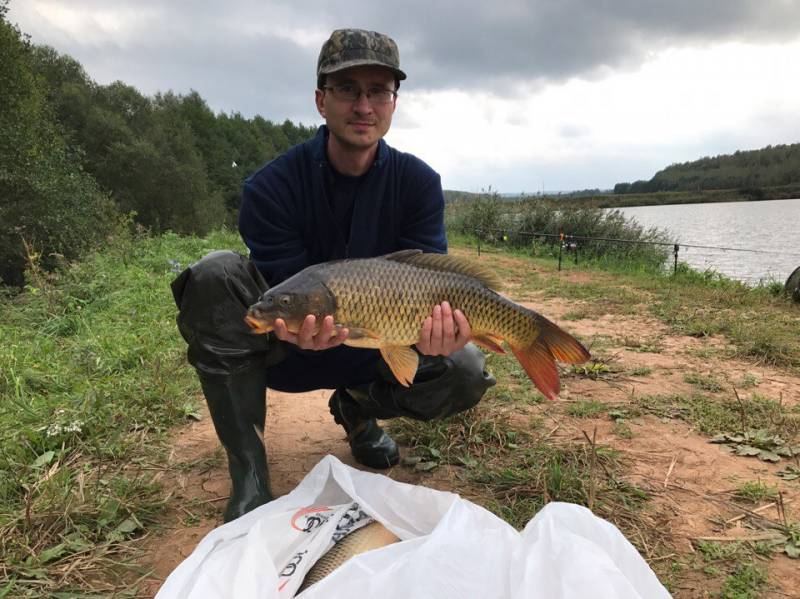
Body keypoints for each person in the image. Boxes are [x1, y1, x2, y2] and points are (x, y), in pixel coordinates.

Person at [171, 29, 496, 523]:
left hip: (382, 347)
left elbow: (434, 279)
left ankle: (358, 409)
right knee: (213, 275)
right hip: (290, 349)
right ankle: (250, 473)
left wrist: (440, 333)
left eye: (377, 91)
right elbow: (286, 292)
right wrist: (296, 328)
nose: (363, 105)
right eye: (347, 89)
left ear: (393, 103)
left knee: (466, 370)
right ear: (321, 101)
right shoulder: (271, 186)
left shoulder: (419, 183)